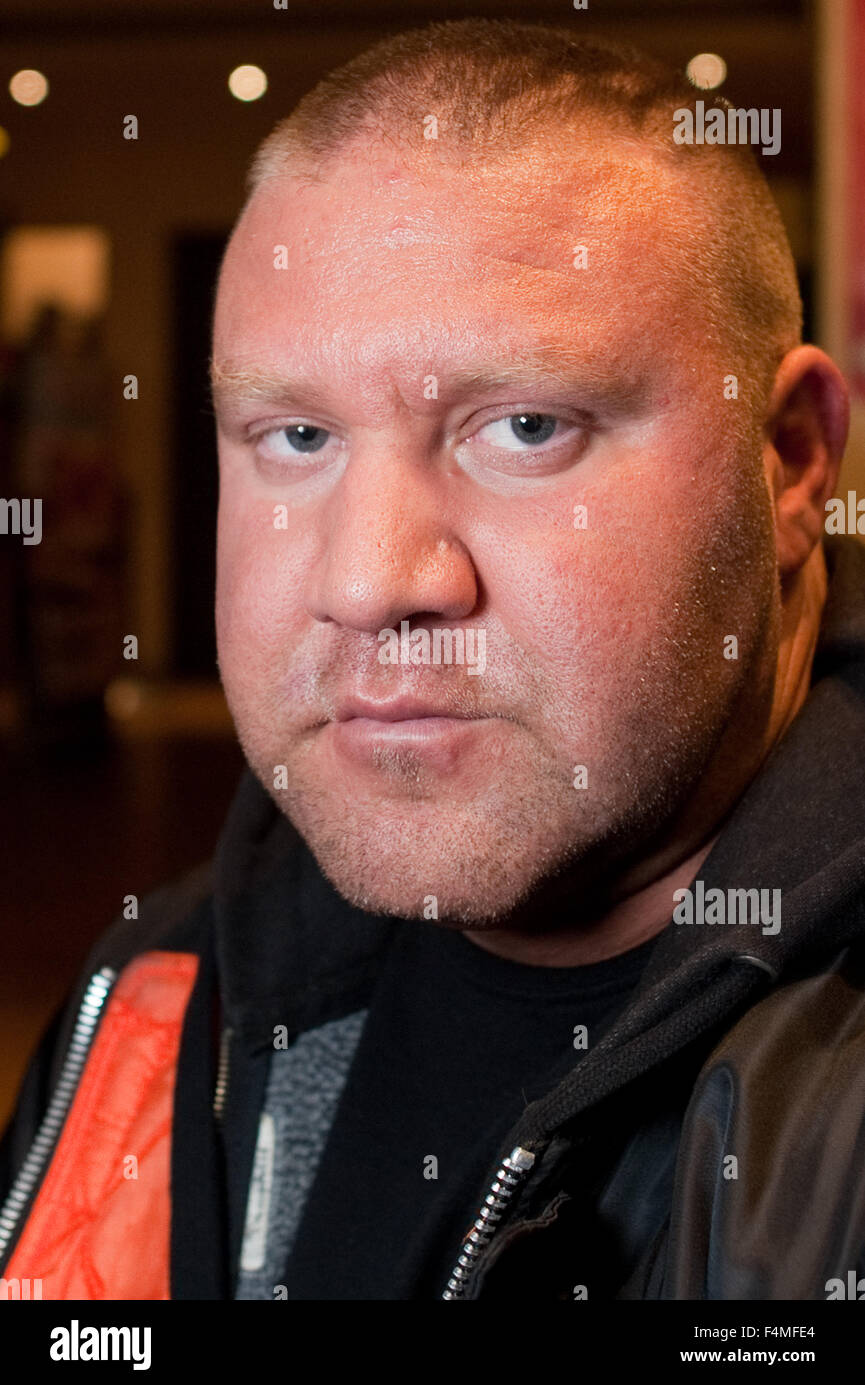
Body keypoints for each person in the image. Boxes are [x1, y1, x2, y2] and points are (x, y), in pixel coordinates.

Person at [1, 19, 863, 1302]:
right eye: (293, 436)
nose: (368, 582)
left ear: (790, 459)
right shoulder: (154, 999)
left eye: (523, 427)